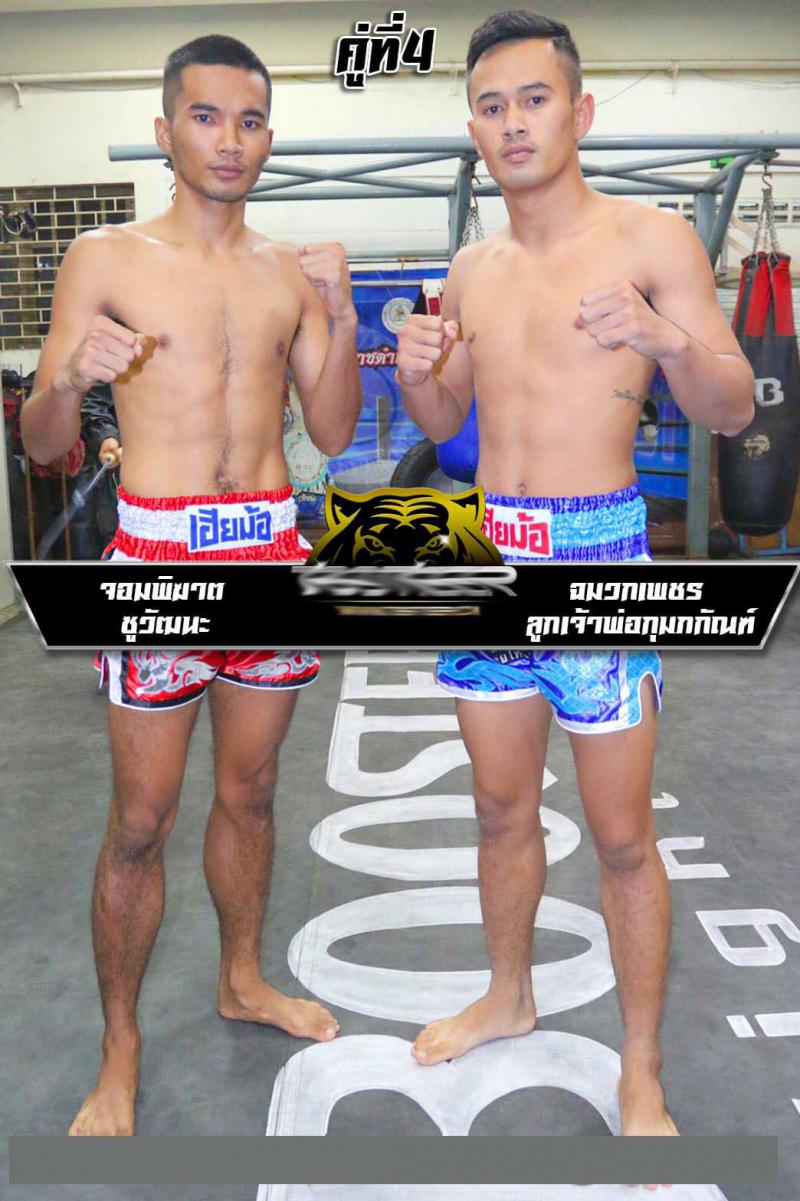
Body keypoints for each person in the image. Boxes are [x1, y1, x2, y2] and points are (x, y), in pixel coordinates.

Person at [396, 6, 754, 1169]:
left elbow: (730, 407)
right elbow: (444, 422)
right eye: (490, 106)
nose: (512, 123)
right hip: (481, 550)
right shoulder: (471, 265)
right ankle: (509, 993)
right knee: (498, 809)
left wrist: (662, 337)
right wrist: (418, 375)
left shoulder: (651, 240)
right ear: (472, 127)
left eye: (533, 99)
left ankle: (638, 1065)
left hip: (596, 553)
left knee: (619, 833)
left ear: (579, 111)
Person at [21, 33, 362, 1136]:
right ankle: (118, 1045)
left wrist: (342, 318)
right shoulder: (104, 258)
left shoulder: (286, 272)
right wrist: (67, 382)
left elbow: (334, 432)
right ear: (166, 130)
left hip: (267, 549)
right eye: (207, 117)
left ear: (268, 137)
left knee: (251, 793)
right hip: (159, 555)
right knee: (140, 816)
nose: (229, 140)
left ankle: (241, 977)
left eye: (250, 120)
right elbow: (42, 445)